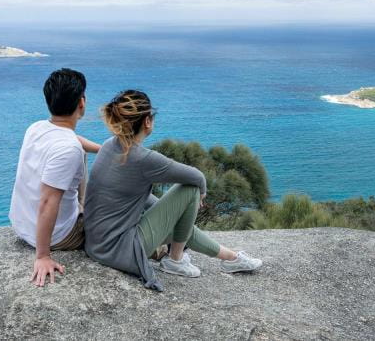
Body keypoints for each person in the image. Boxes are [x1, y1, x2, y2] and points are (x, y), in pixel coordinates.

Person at [84, 89, 262, 291]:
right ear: (147, 121)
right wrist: (199, 195)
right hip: (121, 249)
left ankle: (231, 258)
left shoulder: (109, 146)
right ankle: (175, 260)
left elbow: (135, 198)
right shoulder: (143, 158)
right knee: (190, 189)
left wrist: (174, 214)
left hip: (97, 245)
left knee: (179, 218)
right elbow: (197, 177)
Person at [9, 68, 101, 287]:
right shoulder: (68, 149)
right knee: (115, 210)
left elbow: (72, 139)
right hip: (60, 236)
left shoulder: (37, 127)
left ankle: (81, 206)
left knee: (80, 152)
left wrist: (104, 149)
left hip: (22, 224)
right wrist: (42, 256)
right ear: (82, 102)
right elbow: (48, 202)